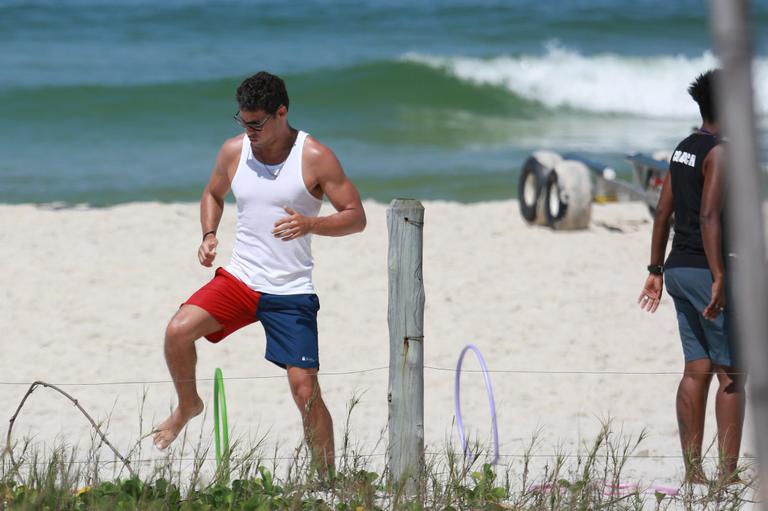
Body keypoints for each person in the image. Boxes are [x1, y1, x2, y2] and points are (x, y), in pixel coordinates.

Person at [152, 71, 367, 474]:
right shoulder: (234, 152)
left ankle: (326, 480)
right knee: (178, 330)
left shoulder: (315, 156)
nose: (248, 131)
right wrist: (209, 233)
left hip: (290, 290)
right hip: (240, 280)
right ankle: (188, 405)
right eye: (242, 121)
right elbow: (213, 193)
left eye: (256, 123)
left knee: (305, 391)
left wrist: (310, 224)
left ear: (281, 113)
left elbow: (356, 218)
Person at [638, 69, 745, 484]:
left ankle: (693, 473)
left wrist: (655, 270)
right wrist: (720, 275)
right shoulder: (720, 151)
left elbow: (662, 213)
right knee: (732, 374)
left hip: (679, 268)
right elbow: (708, 215)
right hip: (707, 270)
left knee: (695, 367)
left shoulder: (683, 148)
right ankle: (728, 474)